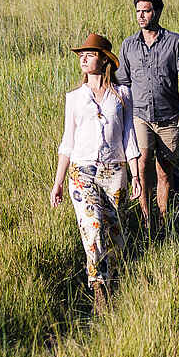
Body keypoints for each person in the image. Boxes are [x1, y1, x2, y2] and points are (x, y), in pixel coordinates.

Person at [50, 32, 140, 311]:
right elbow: (68, 141)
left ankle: (114, 282)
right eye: (81, 55)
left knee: (115, 232)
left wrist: (135, 175)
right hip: (82, 171)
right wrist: (58, 182)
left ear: (104, 60)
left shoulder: (122, 95)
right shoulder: (75, 98)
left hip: (114, 170)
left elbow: (129, 135)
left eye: (90, 54)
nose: (83, 58)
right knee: (93, 227)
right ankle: (98, 287)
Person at [116, 0, 179, 235]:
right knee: (141, 166)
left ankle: (161, 220)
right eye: (138, 11)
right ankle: (145, 219)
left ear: (158, 12)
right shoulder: (128, 45)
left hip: (169, 117)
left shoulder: (174, 41)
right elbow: (122, 82)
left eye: (147, 11)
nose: (141, 15)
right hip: (140, 116)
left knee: (164, 170)